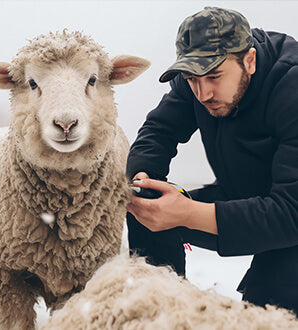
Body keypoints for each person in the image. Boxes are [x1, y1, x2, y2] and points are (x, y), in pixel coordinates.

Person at [126, 6, 298, 315]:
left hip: (291, 213)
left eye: (214, 76)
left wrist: (188, 213)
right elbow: (158, 131)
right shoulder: (196, 80)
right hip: (244, 194)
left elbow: (290, 213)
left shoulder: (292, 84)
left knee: (268, 312)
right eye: (192, 79)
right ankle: (162, 312)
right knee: (146, 207)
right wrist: (141, 183)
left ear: (250, 60)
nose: (203, 93)